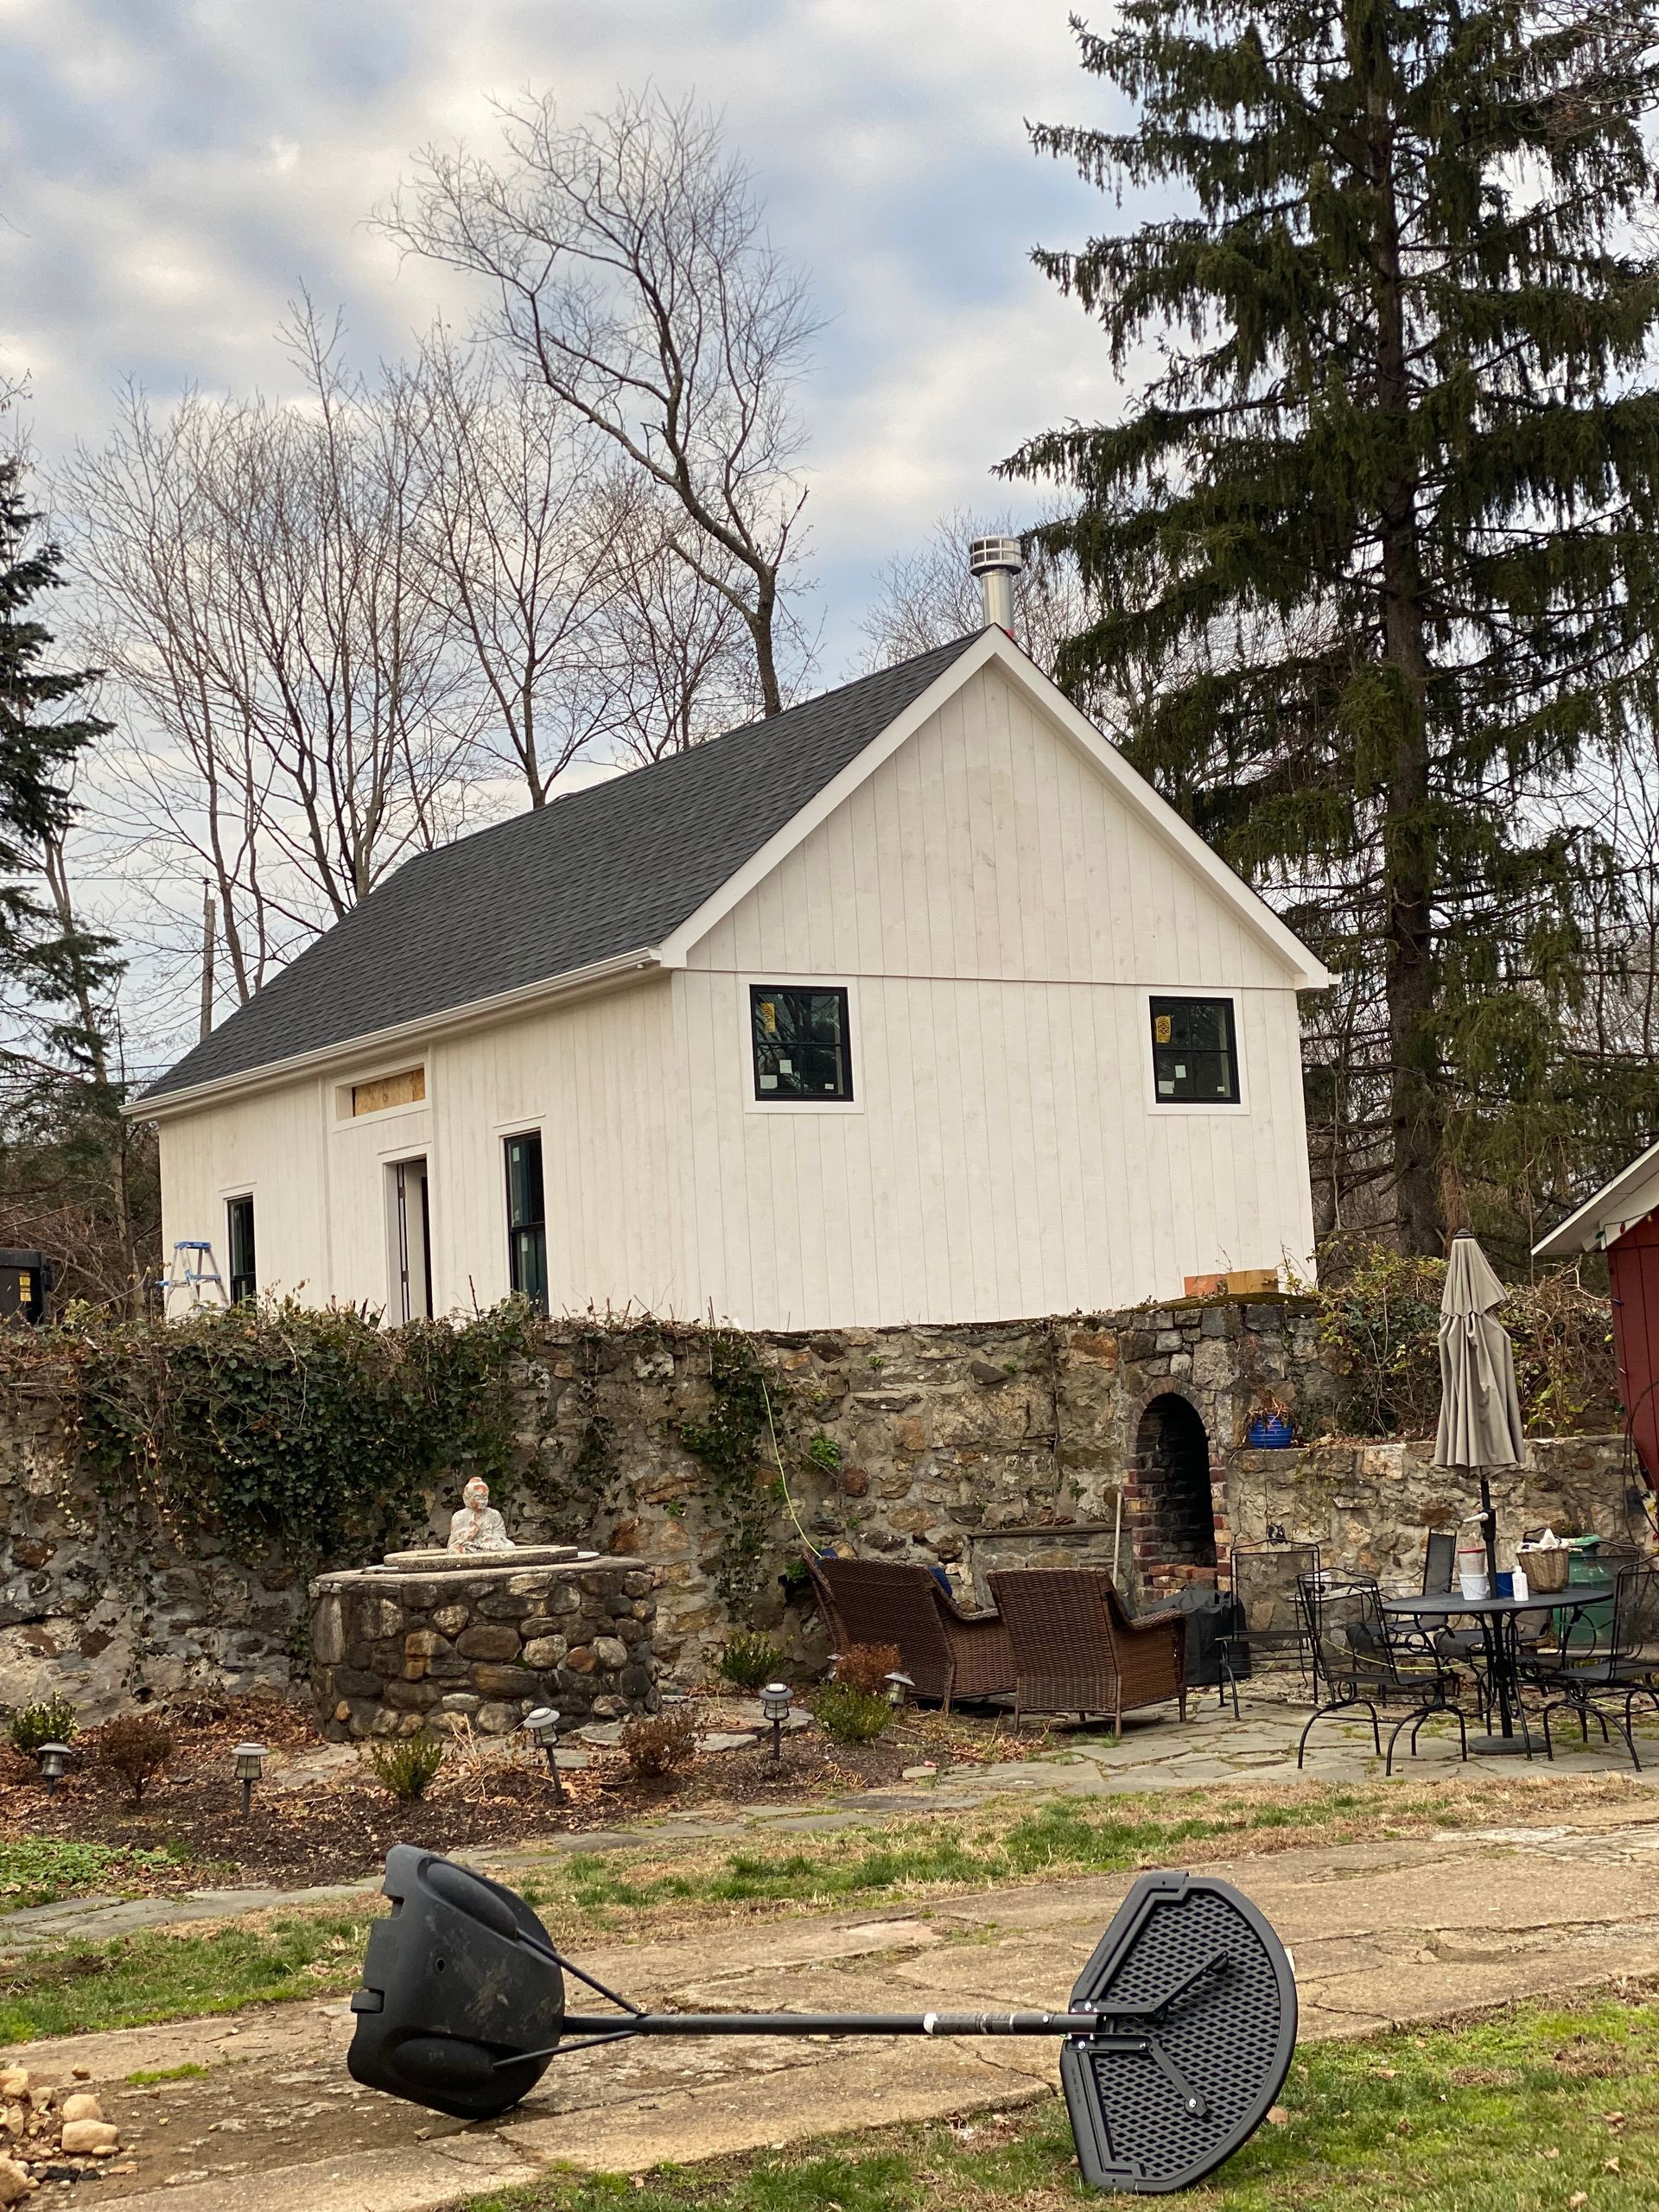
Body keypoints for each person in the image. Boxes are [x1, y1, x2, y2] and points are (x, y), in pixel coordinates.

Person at [447, 1475, 515, 1555]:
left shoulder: (494, 1514)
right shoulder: (459, 1516)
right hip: (469, 1546)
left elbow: (501, 1535)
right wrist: (470, 1533)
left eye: (485, 1498)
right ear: (467, 1498)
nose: (482, 1502)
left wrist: (489, 1538)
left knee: (510, 1546)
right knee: (455, 1551)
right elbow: (453, 1541)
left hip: (489, 1545)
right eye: (478, 1498)